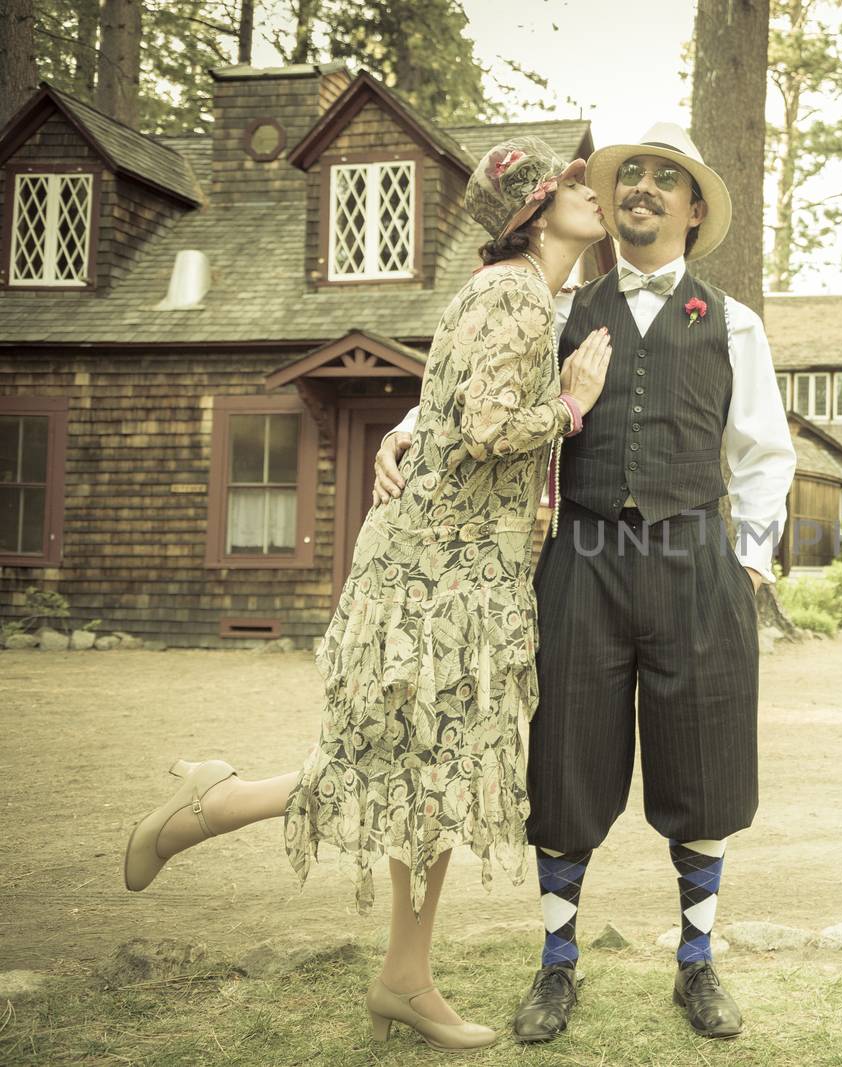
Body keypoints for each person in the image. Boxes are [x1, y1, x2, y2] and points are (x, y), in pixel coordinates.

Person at [121, 136, 613, 1052]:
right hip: (436, 579)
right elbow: (485, 425)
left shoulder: (529, 297)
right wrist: (575, 401)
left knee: (425, 777)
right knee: (406, 771)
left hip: (464, 573)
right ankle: (218, 804)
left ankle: (401, 973)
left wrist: (407, 431)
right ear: (535, 210)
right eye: (571, 183)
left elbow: (449, 401)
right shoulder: (513, 292)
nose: (590, 192)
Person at [371, 121, 796, 1043]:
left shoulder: (732, 321)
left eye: (662, 179)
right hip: (580, 564)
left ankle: (697, 963)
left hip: (695, 562)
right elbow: (485, 378)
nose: (640, 188)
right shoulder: (562, 305)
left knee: (705, 767)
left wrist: (753, 560)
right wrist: (406, 426)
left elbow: (765, 454)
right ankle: (557, 964)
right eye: (627, 176)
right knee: (562, 764)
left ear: (691, 208)